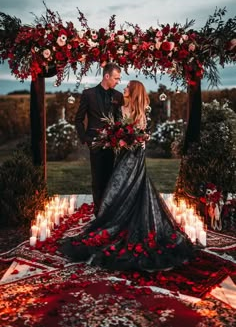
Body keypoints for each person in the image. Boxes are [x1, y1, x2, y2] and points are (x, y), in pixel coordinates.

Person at [60, 80, 195, 272]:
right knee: (120, 185)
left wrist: (132, 139)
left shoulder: (140, 111)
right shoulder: (122, 106)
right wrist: (119, 137)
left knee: (126, 183)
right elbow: (124, 130)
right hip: (124, 152)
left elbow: (141, 136)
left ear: (133, 91)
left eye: (127, 87)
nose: (123, 88)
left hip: (134, 155)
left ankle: (123, 218)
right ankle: (116, 214)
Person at [75, 62, 124, 217]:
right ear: (107, 76)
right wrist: (85, 139)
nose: (118, 81)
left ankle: (109, 210)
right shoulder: (88, 94)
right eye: (116, 78)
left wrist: (119, 137)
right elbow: (78, 119)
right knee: (97, 179)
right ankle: (98, 213)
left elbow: (119, 120)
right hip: (94, 143)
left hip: (112, 144)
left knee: (110, 178)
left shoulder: (118, 96)